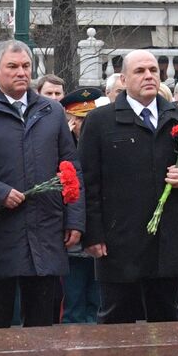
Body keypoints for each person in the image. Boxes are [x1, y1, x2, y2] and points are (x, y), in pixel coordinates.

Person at [77, 50, 178, 323]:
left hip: (168, 242)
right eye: (140, 71)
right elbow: (87, 182)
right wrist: (92, 234)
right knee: (118, 324)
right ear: (124, 80)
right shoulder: (100, 121)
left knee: (167, 325)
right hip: (118, 243)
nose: (149, 75)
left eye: (153, 70)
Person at [0, 41, 85, 329]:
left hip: (46, 230)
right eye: (13, 66)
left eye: (26, 66)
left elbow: (71, 167)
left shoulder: (52, 111)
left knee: (42, 327)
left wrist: (75, 219)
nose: (21, 72)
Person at [58, 88, 102, 323]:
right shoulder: (63, 150)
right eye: (84, 120)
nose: (89, 125)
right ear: (72, 121)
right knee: (73, 305)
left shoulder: (100, 145)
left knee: (97, 305)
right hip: (72, 244)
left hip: (99, 241)